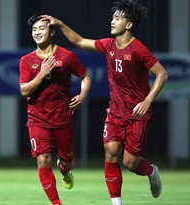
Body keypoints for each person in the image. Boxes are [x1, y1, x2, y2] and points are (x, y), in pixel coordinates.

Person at [41, 0, 168, 204]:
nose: (112, 21)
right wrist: (60, 24)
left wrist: (147, 101)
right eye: (113, 17)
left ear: (128, 25)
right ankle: (116, 203)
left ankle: (152, 172)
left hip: (137, 113)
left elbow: (162, 74)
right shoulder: (108, 44)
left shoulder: (138, 49)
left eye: (118, 18)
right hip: (115, 113)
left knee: (130, 162)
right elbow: (81, 41)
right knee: (110, 153)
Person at [19, 13, 91, 205]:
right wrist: (42, 74)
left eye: (41, 28)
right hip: (37, 118)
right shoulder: (27, 60)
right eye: (34, 29)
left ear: (52, 32)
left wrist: (82, 95)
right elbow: (24, 90)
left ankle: (65, 170)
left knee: (68, 163)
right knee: (43, 159)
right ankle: (56, 203)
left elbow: (85, 77)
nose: (37, 32)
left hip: (62, 117)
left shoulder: (67, 56)